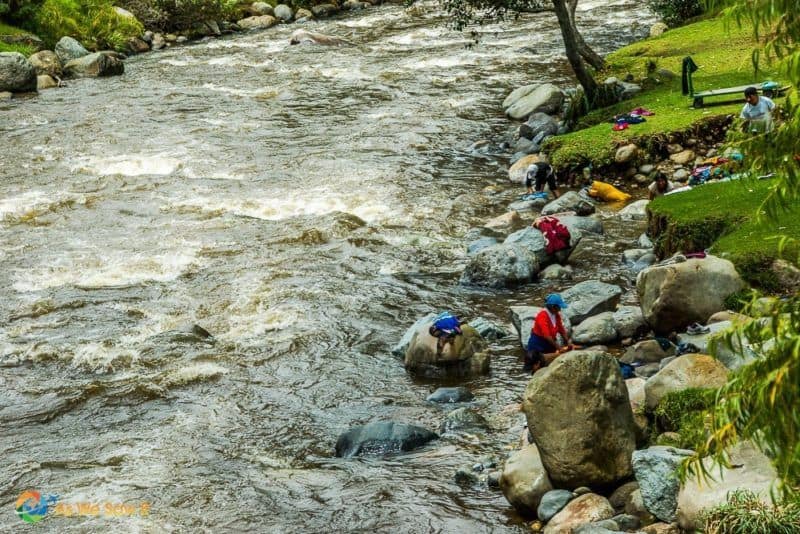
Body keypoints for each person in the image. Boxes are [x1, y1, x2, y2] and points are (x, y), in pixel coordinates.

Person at [524, 294, 572, 373]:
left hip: (549, 344)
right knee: (534, 367)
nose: (560, 309)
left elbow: (561, 329)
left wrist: (567, 341)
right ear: (553, 307)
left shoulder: (556, 315)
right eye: (559, 307)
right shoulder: (542, 316)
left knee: (550, 367)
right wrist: (559, 348)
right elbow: (547, 336)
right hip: (537, 344)